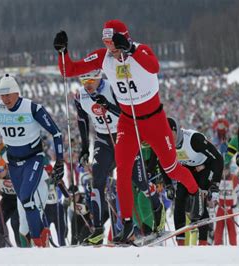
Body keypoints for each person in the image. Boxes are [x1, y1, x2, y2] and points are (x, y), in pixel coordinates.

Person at [53, 19, 199, 243]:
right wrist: (62, 52)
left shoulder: (140, 50)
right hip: (129, 123)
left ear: (123, 38)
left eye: (113, 42)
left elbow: (154, 66)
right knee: (123, 170)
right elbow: (69, 70)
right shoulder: (103, 57)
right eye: (106, 42)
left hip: (155, 120)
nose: (109, 48)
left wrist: (130, 49)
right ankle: (128, 225)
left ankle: (195, 193)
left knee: (171, 167)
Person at [0, 74, 64, 247]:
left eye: (8, 95)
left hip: (33, 158)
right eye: (2, 95)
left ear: (17, 93)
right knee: (25, 201)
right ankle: (41, 235)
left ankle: (38, 240)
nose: (5, 99)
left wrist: (59, 161)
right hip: (13, 161)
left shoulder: (32, 108)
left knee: (26, 196)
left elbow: (57, 132)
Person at [74, 69, 120, 245]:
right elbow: (82, 121)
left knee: (132, 179)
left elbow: (126, 115)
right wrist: (85, 148)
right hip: (102, 138)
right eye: (83, 80)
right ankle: (98, 229)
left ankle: (153, 214)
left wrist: (108, 105)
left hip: (122, 135)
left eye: (91, 80)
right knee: (97, 181)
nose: (87, 85)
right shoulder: (80, 95)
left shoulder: (112, 88)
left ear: (99, 78)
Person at [167, 117, 223, 246]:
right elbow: (164, 164)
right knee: (179, 198)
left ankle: (203, 240)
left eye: (171, 134)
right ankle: (180, 240)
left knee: (199, 200)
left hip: (205, 167)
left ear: (176, 130)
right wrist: (168, 184)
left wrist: (215, 184)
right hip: (187, 170)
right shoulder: (166, 144)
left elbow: (218, 158)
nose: (169, 138)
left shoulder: (194, 139)